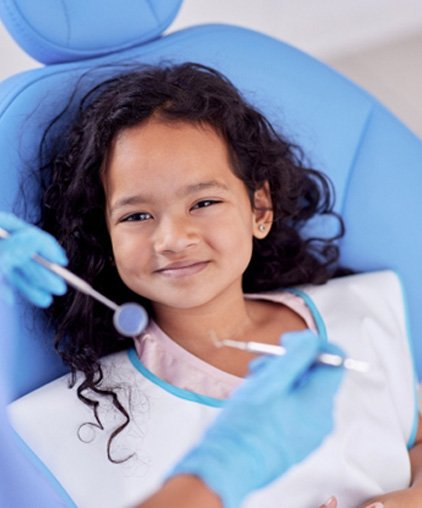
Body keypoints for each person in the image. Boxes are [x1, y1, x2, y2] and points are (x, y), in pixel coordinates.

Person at [3, 62, 422, 507]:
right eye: (136, 216)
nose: (173, 239)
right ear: (106, 235)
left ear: (260, 209)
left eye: (203, 202)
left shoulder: (358, 311)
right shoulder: (78, 424)